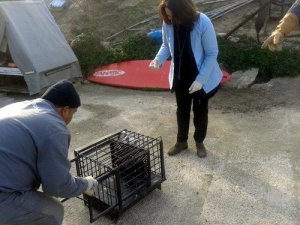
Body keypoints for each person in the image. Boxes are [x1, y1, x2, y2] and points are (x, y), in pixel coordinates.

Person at [0, 80, 98, 225]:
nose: (71, 117)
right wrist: (85, 184)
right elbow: (57, 187)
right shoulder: (55, 127)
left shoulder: (20, 106)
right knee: (52, 212)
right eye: (73, 113)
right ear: (65, 110)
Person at [149, 0, 222, 158]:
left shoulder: (202, 21)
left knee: (200, 111)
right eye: (167, 16)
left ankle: (199, 142)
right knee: (181, 110)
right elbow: (166, 45)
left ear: (183, 10)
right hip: (180, 76)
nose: (170, 19)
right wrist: (158, 59)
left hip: (201, 76)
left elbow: (212, 53)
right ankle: (181, 142)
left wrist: (200, 80)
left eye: (172, 15)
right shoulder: (168, 23)